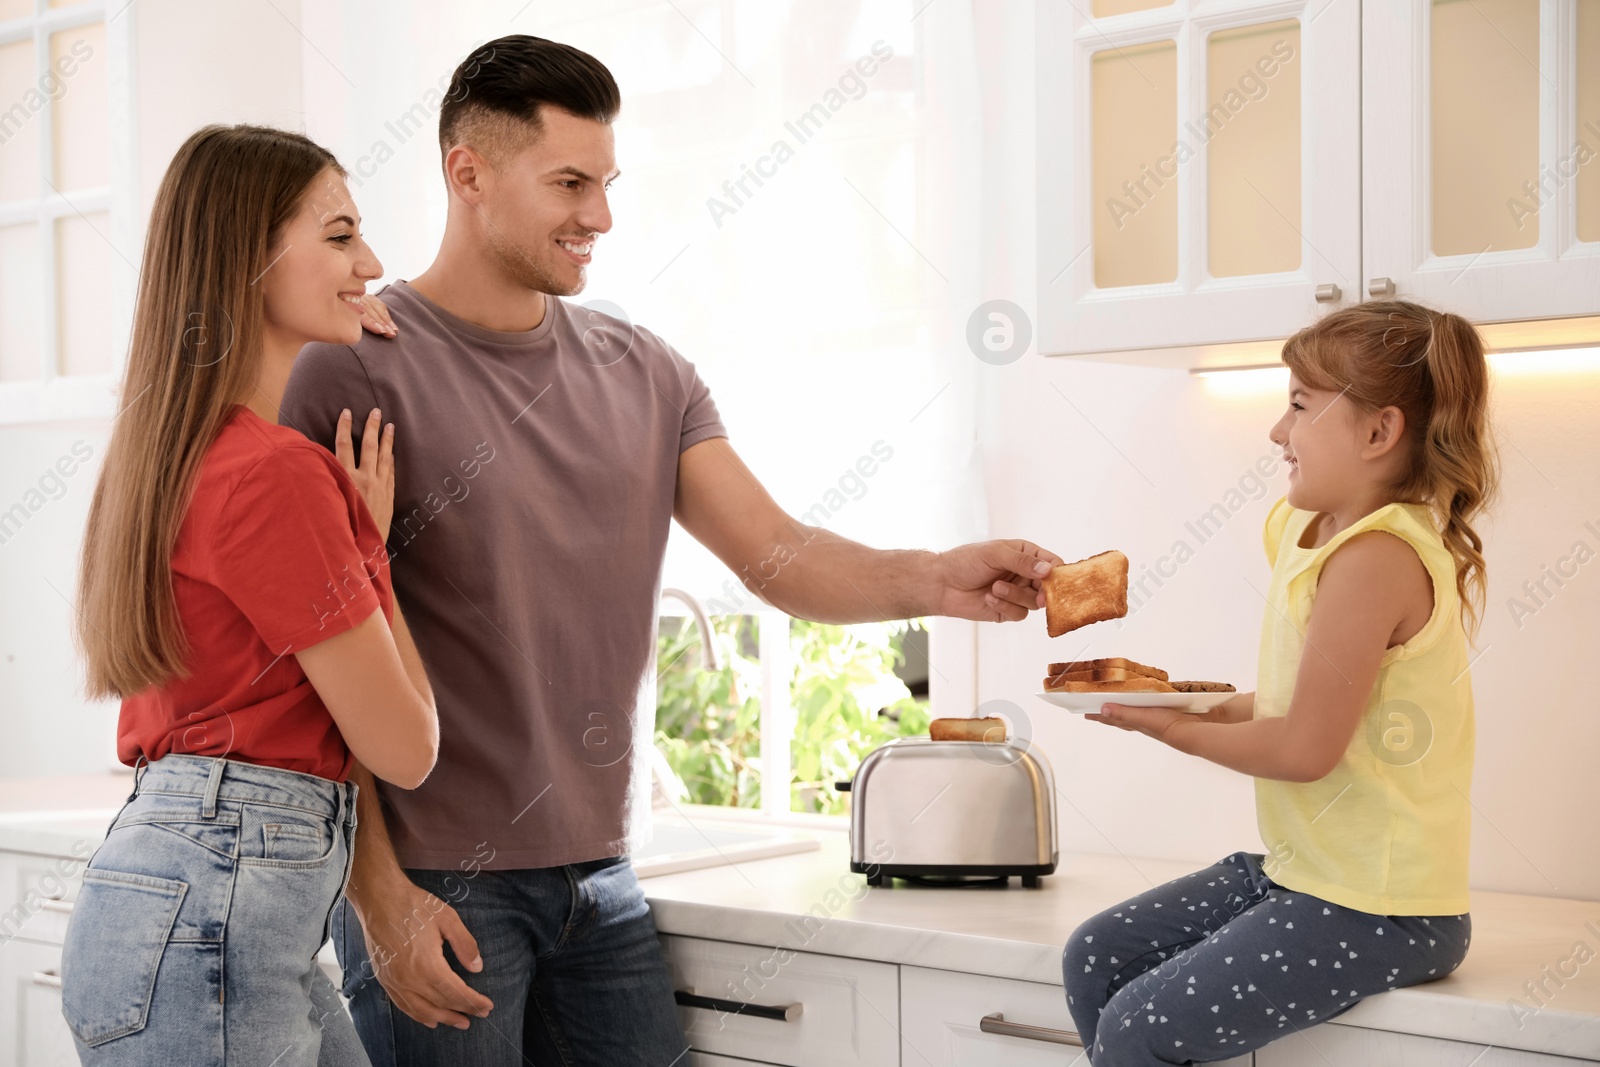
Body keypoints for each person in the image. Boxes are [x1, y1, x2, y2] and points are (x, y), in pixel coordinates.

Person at [277, 34, 1064, 1067]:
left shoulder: (645, 369)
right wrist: (376, 895)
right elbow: (313, 663)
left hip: (599, 878)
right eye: (568, 182)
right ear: (466, 173)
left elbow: (777, 552)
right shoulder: (352, 368)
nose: (598, 216)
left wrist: (939, 576)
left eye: (604, 183)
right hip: (438, 881)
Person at [61, 124, 439, 1066]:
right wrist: (369, 547)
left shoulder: (175, 458)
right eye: (341, 235)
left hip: (190, 902)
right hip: (212, 916)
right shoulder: (277, 474)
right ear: (250, 257)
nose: (374, 262)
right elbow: (408, 745)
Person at [1062, 300, 1498, 1064]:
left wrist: (1175, 731)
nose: (1275, 431)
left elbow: (1305, 747)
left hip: (1383, 906)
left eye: (1297, 405)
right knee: (1096, 953)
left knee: (1136, 1028)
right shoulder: (1306, 532)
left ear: (1378, 431)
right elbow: (1308, 705)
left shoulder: (1377, 559)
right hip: (1306, 875)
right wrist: (1191, 704)